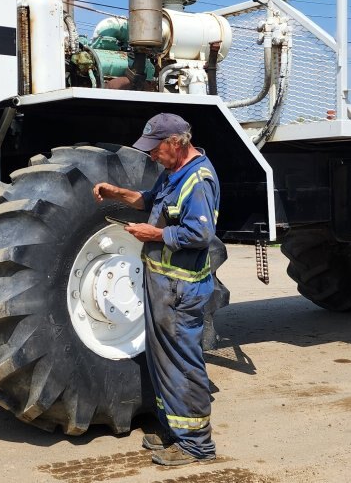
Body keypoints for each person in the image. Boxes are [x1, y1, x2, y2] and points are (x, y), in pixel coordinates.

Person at [93, 112, 220, 467]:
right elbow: (153, 200)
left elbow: (200, 234)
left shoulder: (199, 180)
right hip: (164, 283)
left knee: (182, 363)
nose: (151, 155)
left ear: (176, 143)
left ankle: (197, 445)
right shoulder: (173, 171)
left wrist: (156, 234)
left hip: (181, 287)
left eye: (155, 148)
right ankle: (175, 432)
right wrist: (119, 193)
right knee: (163, 362)